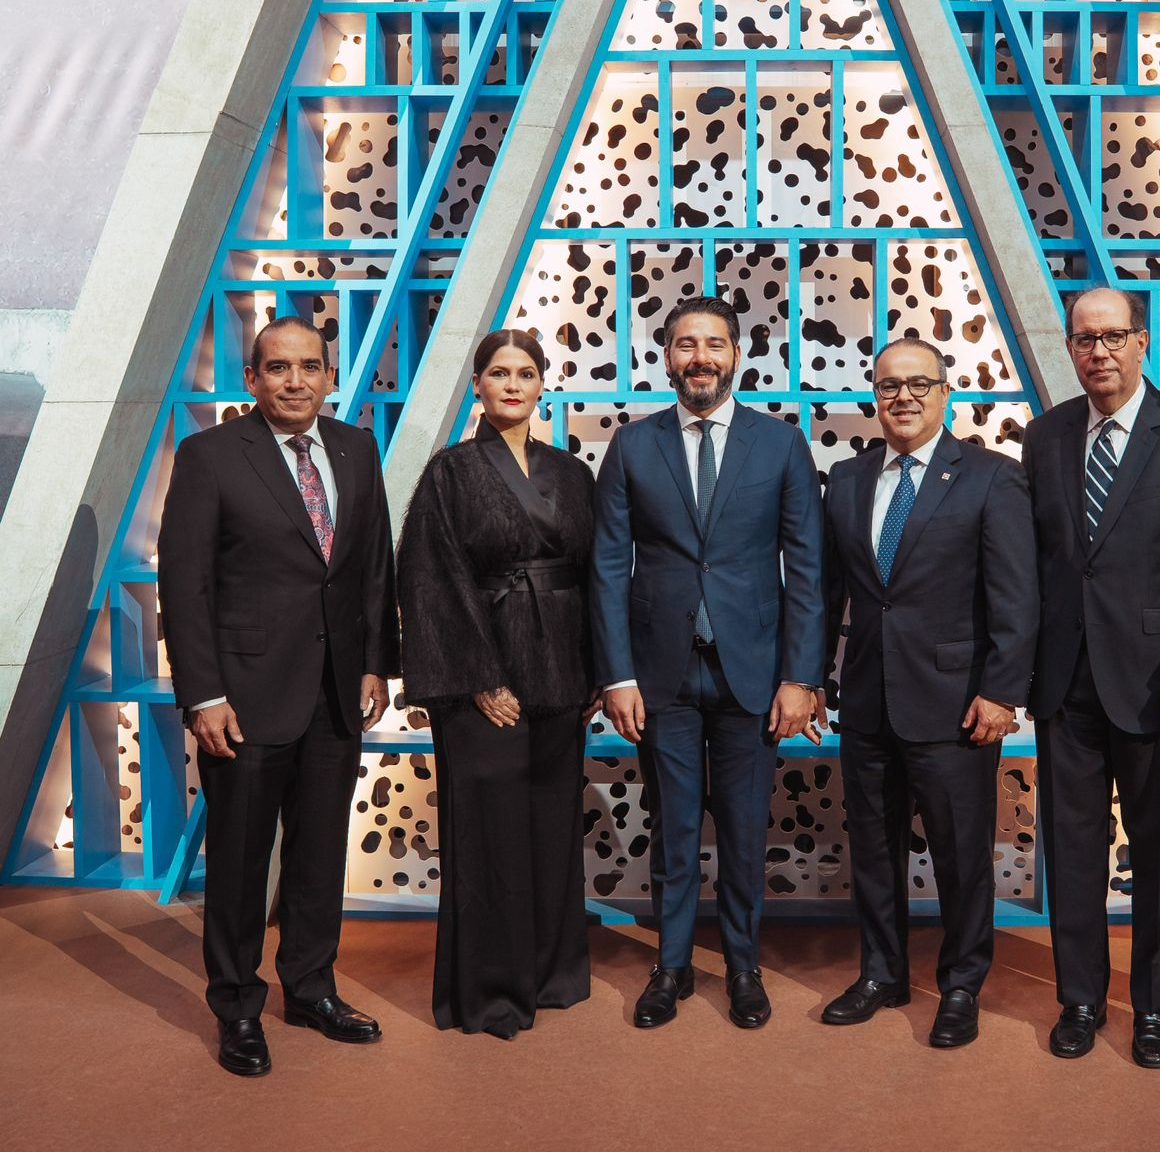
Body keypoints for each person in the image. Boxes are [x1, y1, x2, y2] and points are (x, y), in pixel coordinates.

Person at [158, 315, 400, 1077]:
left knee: (320, 852)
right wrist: (203, 695)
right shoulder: (209, 456)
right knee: (238, 861)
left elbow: (373, 567)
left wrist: (376, 664)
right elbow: (185, 584)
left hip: (336, 691)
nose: (295, 381)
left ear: (329, 376)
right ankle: (236, 1006)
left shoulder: (357, 449)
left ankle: (311, 988)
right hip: (245, 695)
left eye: (308, 367)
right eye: (278, 368)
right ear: (254, 378)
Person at [591, 295, 826, 1030]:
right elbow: (608, 567)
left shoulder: (780, 444)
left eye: (714, 344)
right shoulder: (632, 445)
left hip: (752, 673)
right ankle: (672, 967)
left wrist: (802, 678)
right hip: (660, 675)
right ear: (667, 356)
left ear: (736, 355)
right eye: (686, 344)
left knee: (746, 831)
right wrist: (617, 675)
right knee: (674, 830)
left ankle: (744, 967)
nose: (701, 358)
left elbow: (807, 569)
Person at [1022, 287, 1160, 1068]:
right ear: (1071, 349)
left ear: (1143, 343)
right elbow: (1038, 563)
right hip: (1065, 685)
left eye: (1113, 337)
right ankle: (1079, 1000)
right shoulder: (1045, 436)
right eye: (1085, 339)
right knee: (1072, 851)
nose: (1099, 351)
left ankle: (1153, 1008)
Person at [816, 338, 1037, 1048]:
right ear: (874, 397)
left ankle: (962, 985)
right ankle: (881, 974)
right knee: (874, 850)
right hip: (867, 700)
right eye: (888, 386)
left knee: (961, 856)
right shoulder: (847, 479)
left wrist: (1002, 692)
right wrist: (812, 677)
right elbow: (826, 593)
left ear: (945, 393)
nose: (903, 397)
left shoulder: (992, 477)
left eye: (918, 384)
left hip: (957, 704)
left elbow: (1016, 596)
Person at [397, 329, 600, 1039]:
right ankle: (489, 993)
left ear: (543, 384)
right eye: (499, 372)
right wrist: (481, 678)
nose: (513, 384)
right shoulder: (450, 473)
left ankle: (550, 975)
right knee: (490, 835)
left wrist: (596, 672)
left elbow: (598, 574)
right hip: (484, 678)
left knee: (550, 827)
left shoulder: (572, 473)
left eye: (526, 372)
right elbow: (430, 580)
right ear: (478, 384)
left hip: (562, 673)